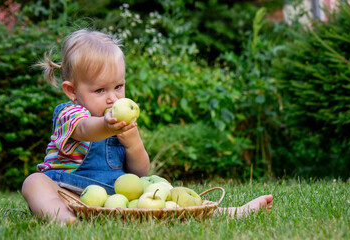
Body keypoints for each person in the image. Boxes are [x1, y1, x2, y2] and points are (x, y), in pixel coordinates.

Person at [21, 29, 272, 224]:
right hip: (69, 190)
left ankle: (224, 212)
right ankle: (63, 218)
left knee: (163, 190)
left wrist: (133, 143)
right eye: (100, 90)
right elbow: (86, 129)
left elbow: (140, 171)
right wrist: (109, 128)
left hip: (115, 196)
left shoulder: (121, 122)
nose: (113, 99)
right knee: (34, 182)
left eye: (118, 86)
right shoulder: (70, 114)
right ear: (72, 91)